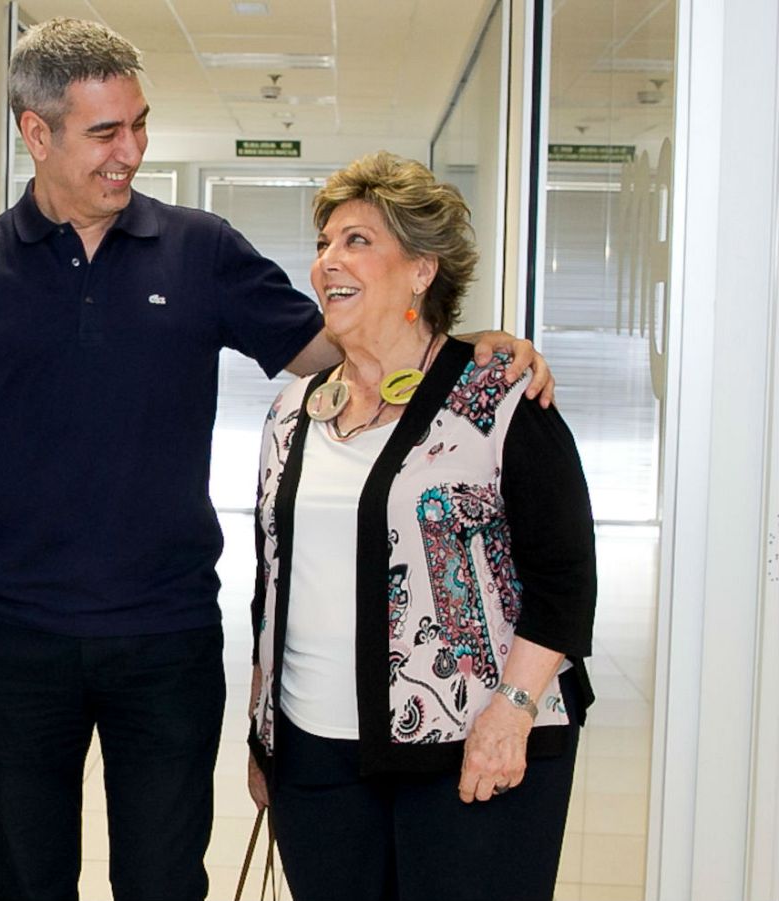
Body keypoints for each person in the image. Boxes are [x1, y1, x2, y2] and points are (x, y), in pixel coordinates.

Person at [0, 18, 554, 901]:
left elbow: (335, 348)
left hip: (164, 637)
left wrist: (460, 348)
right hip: (11, 640)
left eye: (140, 124)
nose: (130, 151)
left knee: (165, 882)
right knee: (27, 881)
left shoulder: (201, 248)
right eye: (105, 132)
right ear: (37, 132)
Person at [246, 151, 595, 901]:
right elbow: (270, 582)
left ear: (421, 270)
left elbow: (565, 578)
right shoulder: (291, 411)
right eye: (323, 244)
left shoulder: (498, 395)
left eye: (357, 241)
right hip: (314, 756)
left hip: (472, 749)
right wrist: (262, 731)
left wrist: (512, 714)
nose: (328, 262)